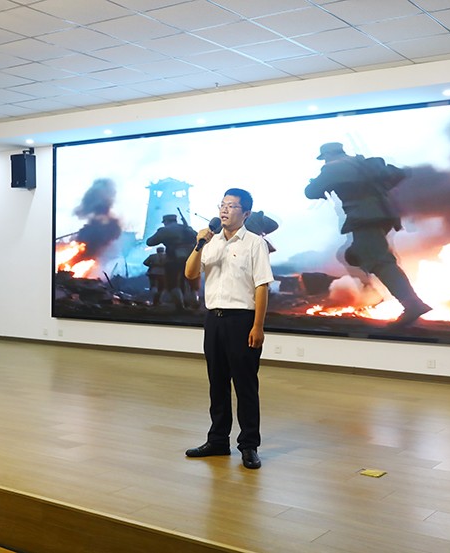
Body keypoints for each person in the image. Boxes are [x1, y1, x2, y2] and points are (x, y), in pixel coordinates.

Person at [184, 188, 274, 469]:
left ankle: (249, 445)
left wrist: (258, 326)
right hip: (214, 319)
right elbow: (190, 273)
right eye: (222, 205)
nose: (224, 210)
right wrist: (199, 244)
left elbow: (262, 286)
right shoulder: (209, 242)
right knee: (217, 383)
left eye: (232, 206)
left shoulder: (255, 244)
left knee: (245, 385)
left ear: (245, 213)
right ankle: (218, 440)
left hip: (242, 321)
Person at [304, 142, 431, 326]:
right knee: (359, 253)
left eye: (325, 158)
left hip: (365, 217)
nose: (325, 161)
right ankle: (401, 299)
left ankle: (413, 304)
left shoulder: (333, 167)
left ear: (328, 155)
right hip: (384, 215)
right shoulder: (364, 163)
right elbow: (399, 173)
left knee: (380, 261)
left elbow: (311, 191)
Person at [146, 214, 196, 311]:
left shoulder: (165, 230)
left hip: (174, 259)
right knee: (187, 282)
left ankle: (180, 307)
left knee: (172, 283)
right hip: (190, 258)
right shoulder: (187, 228)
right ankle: (193, 303)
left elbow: (150, 242)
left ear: (166, 222)